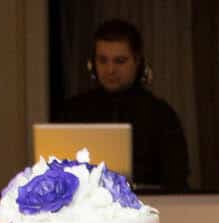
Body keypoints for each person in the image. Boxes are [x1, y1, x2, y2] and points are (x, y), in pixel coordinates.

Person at [57, 19, 189, 191]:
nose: (110, 69)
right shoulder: (73, 111)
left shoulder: (161, 115)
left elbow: (176, 182)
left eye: (120, 61)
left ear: (137, 62)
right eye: (103, 60)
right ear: (92, 63)